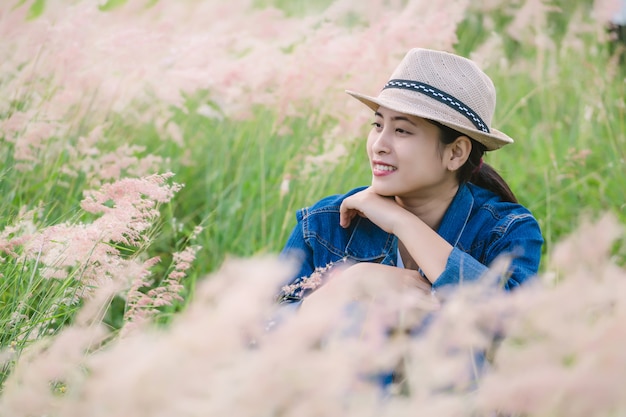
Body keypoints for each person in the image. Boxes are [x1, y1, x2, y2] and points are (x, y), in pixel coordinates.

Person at [278, 48, 543, 309]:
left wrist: (403, 223)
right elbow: (259, 335)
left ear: (456, 152)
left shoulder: (504, 231)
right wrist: (352, 282)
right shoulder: (326, 223)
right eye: (378, 125)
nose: (379, 145)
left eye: (402, 130)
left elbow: (509, 324)